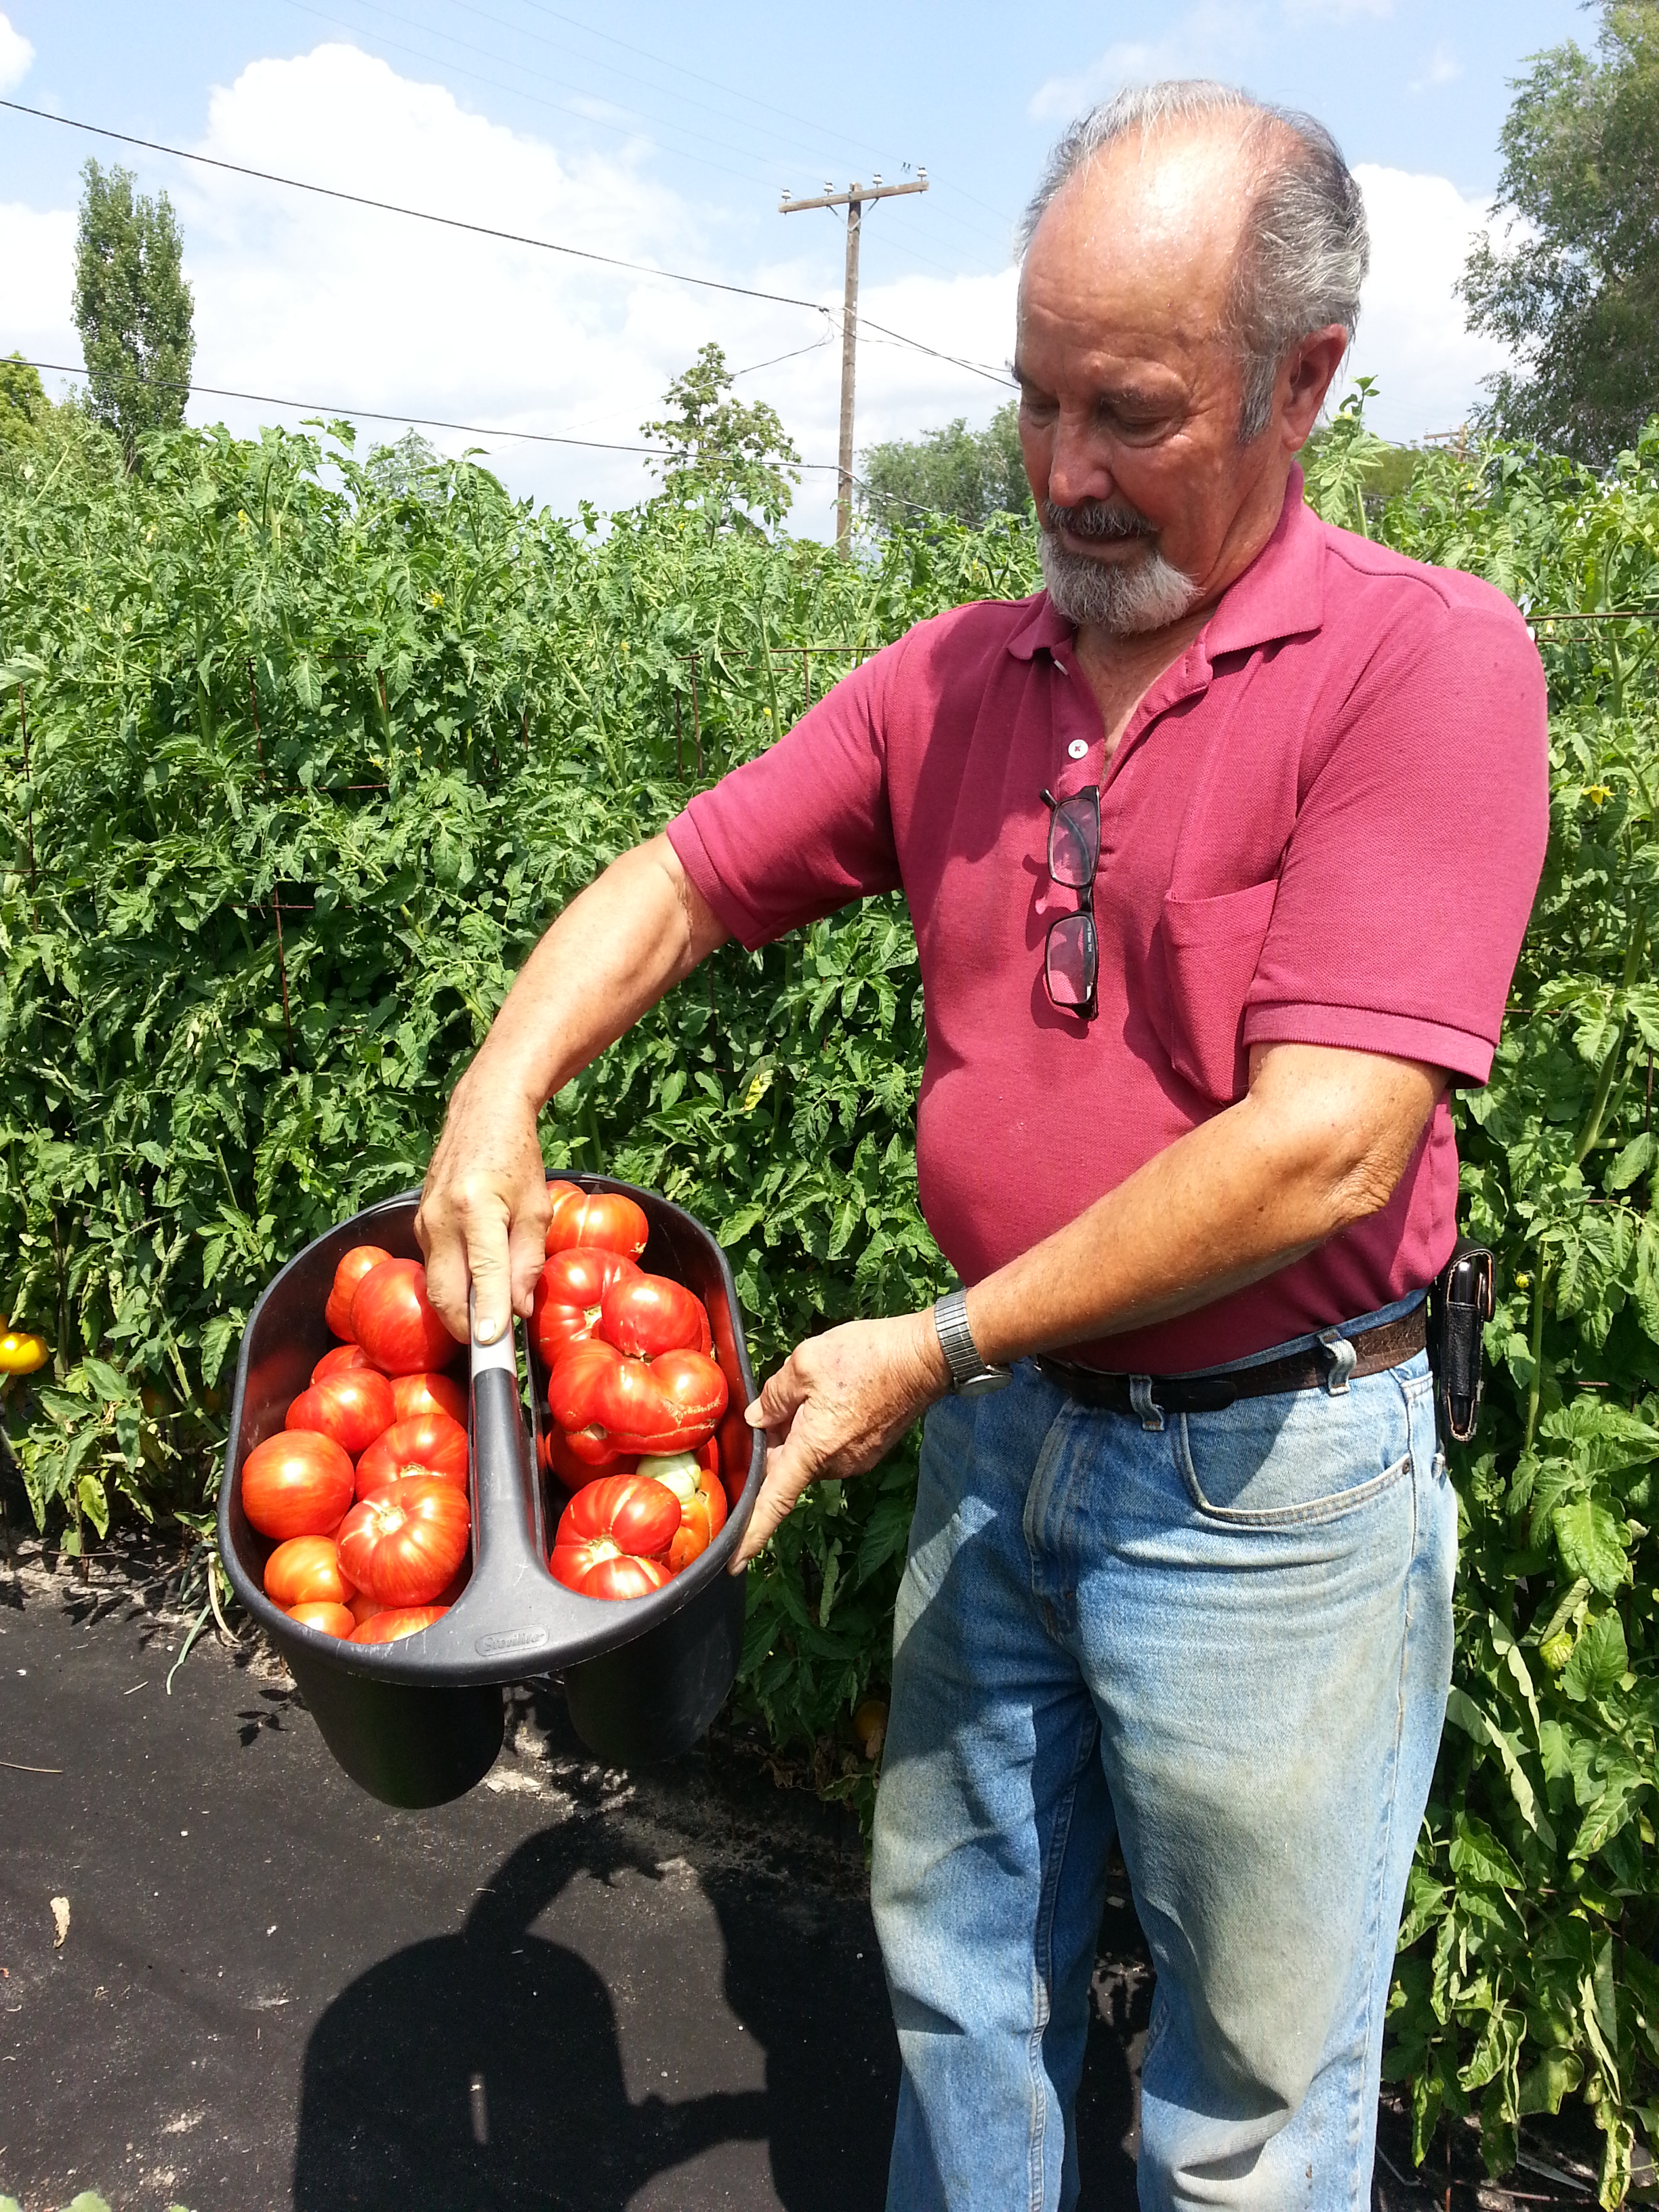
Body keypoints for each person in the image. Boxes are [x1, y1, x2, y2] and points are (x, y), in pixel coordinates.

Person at [416, 80, 1549, 2212]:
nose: (1057, 472)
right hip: (1006, 1440)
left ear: (1304, 382)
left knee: (1247, 2096)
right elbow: (683, 875)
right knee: (957, 1982)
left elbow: (1324, 1149)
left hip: (1273, 1483)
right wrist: (504, 1088)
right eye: (1032, 399)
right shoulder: (960, 680)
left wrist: (933, 1344)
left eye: (1126, 412)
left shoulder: (1424, 665)